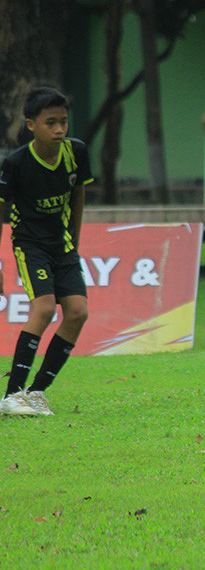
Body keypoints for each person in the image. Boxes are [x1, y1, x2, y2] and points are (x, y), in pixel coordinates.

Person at [0, 87, 94, 416]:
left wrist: (74, 239)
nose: (59, 130)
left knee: (78, 312)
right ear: (31, 125)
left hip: (63, 245)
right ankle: (12, 395)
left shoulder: (76, 152)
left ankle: (37, 391)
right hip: (30, 244)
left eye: (64, 122)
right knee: (44, 309)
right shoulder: (15, 163)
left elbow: (78, 194)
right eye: (50, 123)